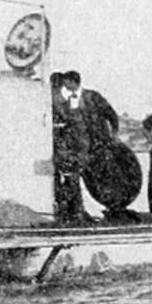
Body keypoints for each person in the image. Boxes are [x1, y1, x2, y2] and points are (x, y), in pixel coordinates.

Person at [50, 72, 87, 223]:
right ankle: (75, 211)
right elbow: (71, 120)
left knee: (64, 179)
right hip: (64, 147)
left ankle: (69, 211)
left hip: (61, 147)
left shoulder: (55, 99)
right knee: (71, 178)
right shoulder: (59, 100)